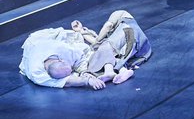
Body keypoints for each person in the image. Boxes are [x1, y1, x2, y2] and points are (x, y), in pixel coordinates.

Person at [19, 10, 151, 90]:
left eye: (69, 69)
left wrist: (85, 33)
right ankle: (116, 70)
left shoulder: (64, 50)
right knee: (104, 49)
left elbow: (98, 38)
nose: (71, 72)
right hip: (41, 44)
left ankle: (115, 69)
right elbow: (66, 82)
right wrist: (87, 80)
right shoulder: (36, 72)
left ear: (61, 59)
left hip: (121, 37)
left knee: (104, 48)